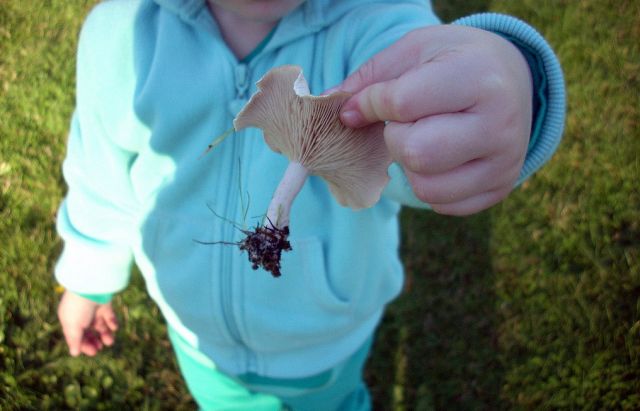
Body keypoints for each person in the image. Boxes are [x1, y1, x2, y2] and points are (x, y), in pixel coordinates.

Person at [55, 0, 565, 409]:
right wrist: (88, 278)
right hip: (197, 338)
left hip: (325, 342)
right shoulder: (122, 32)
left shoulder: (378, 23)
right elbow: (99, 174)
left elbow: (421, 131)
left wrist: (505, 85)